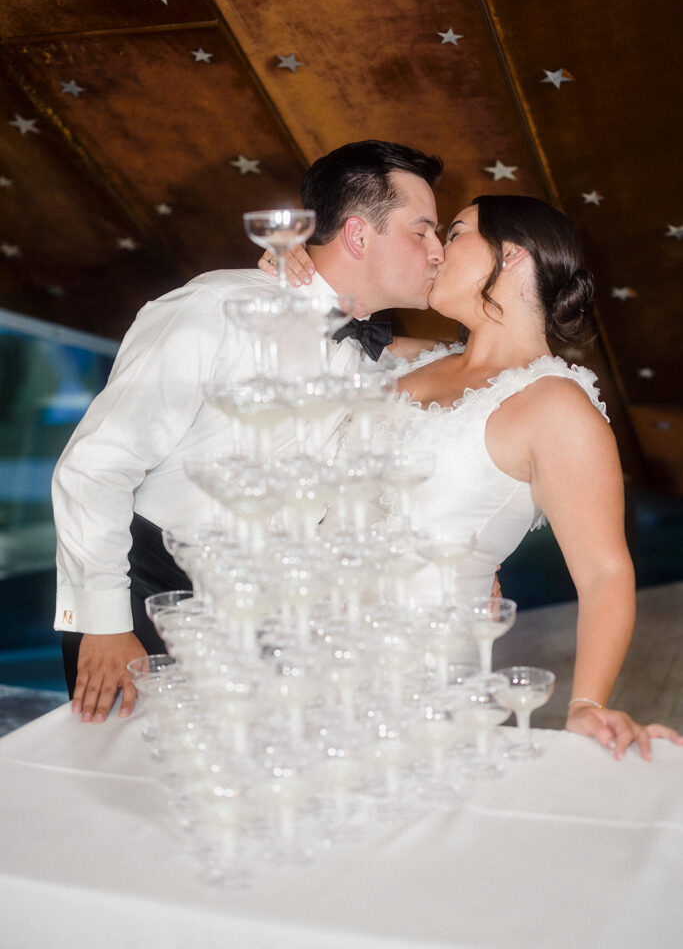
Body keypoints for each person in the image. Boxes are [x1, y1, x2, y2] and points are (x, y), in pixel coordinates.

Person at [262, 194, 683, 760]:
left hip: (411, 688)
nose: (434, 251)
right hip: (285, 657)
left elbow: (606, 573)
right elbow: (318, 343)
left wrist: (586, 704)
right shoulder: (413, 360)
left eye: (453, 233)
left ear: (511, 256)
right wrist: (295, 282)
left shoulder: (555, 406)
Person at [51, 140, 445, 724]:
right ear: (359, 235)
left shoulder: (365, 349)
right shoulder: (215, 309)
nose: (439, 252)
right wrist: (105, 624)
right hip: (148, 609)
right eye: (423, 232)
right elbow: (95, 466)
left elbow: (471, 363)